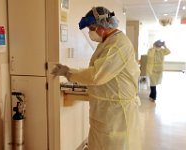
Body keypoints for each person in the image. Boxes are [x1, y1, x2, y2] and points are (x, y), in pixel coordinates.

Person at [52, 6, 141, 150]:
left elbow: (96, 75)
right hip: (105, 110)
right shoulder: (107, 42)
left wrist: (69, 73)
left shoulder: (117, 46)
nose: (90, 32)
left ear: (101, 27)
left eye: (91, 28)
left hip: (116, 114)